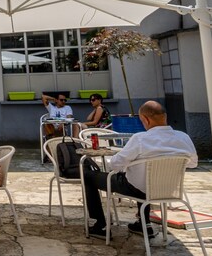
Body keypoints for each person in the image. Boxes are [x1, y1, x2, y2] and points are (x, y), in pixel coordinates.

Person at [82, 101, 197, 240]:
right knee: (141, 177)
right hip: (168, 189)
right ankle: (144, 224)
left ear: (145, 119)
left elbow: (115, 164)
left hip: (138, 189)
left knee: (88, 176)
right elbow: (193, 163)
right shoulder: (183, 137)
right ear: (165, 116)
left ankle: (100, 224)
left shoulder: (140, 139)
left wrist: (131, 164)